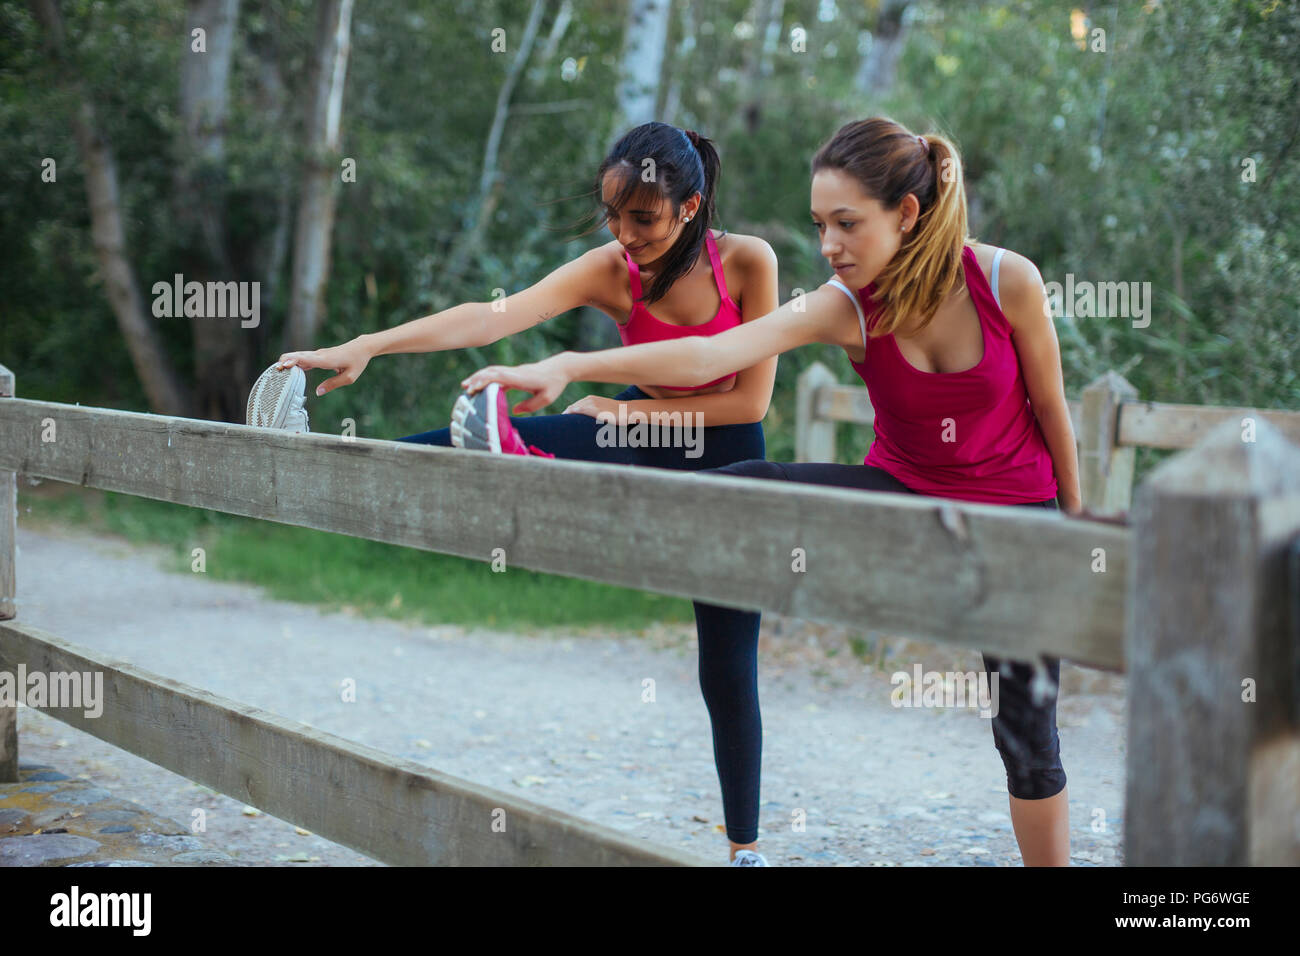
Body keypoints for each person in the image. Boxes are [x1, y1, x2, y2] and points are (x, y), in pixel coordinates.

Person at [459, 117, 1084, 866]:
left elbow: (1053, 410)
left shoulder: (1007, 279)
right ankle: (563, 511)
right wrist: (568, 364)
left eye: (847, 225)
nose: (829, 247)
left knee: (1027, 739)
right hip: (900, 493)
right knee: (740, 488)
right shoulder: (844, 303)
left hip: (1017, 515)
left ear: (906, 214)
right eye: (821, 225)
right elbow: (710, 354)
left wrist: (1075, 535)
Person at [249, 121, 781, 866]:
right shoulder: (611, 266)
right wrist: (368, 344)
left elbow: (748, 404)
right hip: (629, 426)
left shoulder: (750, 262)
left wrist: (625, 409)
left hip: (721, 453)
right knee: (510, 436)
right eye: (614, 216)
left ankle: (745, 851)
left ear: (690, 208)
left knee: (727, 666)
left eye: (644, 219)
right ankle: (328, 469)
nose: (626, 235)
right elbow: (490, 317)